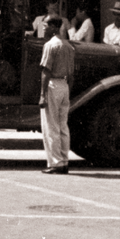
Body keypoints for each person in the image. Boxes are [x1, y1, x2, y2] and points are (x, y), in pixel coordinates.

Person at [38, 19, 74, 174]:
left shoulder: (50, 46)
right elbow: (71, 75)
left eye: (46, 26)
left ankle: (55, 163)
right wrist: (67, 90)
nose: (44, 29)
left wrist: (42, 95)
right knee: (63, 126)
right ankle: (64, 161)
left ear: (53, 28)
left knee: (51, 126)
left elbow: (46, 72)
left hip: (53, 85)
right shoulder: (68, 46)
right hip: (64, 86)